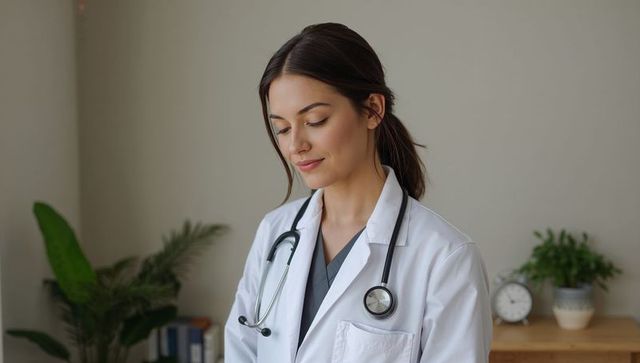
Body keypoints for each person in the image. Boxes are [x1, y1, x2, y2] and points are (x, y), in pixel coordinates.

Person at [224, 22, 492, 363]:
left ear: (372, 110)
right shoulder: (275, 232)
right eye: (282, 128)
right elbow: (242, 350)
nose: (296, 145)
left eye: (316, 120)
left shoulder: (446, 257)